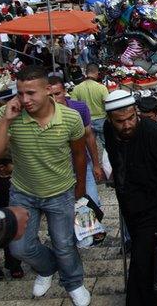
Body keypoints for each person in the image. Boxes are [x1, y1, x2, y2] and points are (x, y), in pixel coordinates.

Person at [0, 65, 90, 305]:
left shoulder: (70, 118)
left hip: (60, 192)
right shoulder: (9, 114)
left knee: (64, 244)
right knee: (19, 248)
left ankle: (74, 282)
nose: (25, 99)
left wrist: (81, 188)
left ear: (48, 90)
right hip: (23, 192)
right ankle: (47, 268)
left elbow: (79, 154)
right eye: (20, 93)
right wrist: (6, 121)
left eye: (31, 93)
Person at [103, 90, 157, 306]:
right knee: (150, 257)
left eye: (130, 118)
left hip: (156, 208)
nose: (126, 125)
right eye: (120, 121)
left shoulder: (154, 132)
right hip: (131, 206)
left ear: (136, 112)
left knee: (141, 264)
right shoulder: (108, 129)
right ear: (110, 120)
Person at [48, 76, 106, 244]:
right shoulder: (44, 114)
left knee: (91, 200)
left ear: (64, 92)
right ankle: (78, 234)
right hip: (58, 169)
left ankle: (91, 228)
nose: (54, 99)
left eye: (57, 94)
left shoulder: (79, 108)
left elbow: (89, 137)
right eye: (49, 96)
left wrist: (96, 164)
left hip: (82, 164)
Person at [0, 158, 24, 280]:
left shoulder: (19, 176)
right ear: (2, 168)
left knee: (14, 234)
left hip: (13, 213)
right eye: (12, 164)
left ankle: (14, 266)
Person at [70, 64, 109, 145]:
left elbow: (73, 106)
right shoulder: (102, 88)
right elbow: (107, 105)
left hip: (85, 121)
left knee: (90, 146)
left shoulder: (77, 88)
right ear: (97, 73)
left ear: (85, 73)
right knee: (107, 145)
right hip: (101, 120)